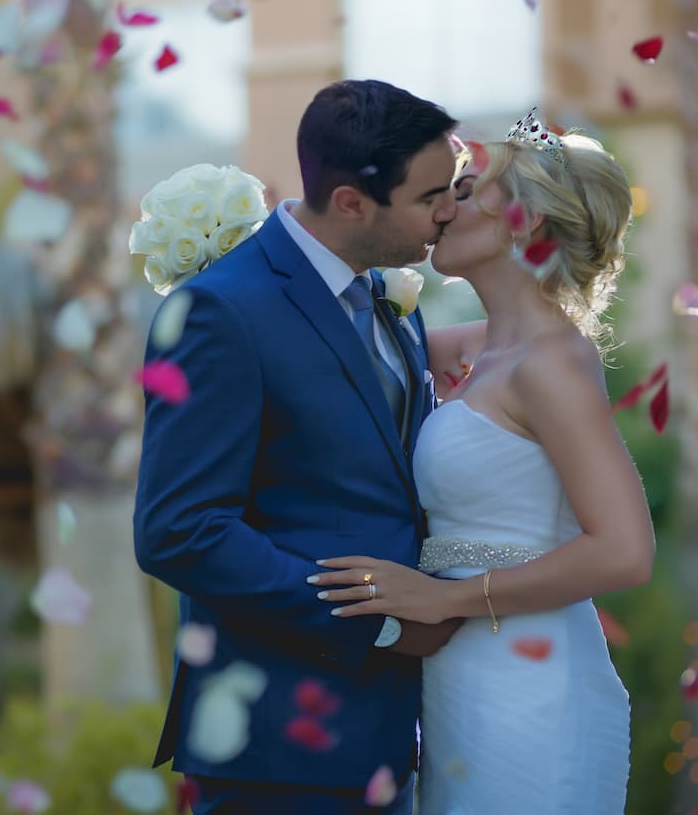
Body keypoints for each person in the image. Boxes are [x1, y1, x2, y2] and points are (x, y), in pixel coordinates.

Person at [133, 79, 465, 814]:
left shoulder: (386, 293)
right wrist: (374, 618)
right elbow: (177, 530)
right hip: (279, 743)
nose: (450, 209)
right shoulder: (221, 309)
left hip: (386, 735)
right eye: (429, 195)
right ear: (351, 202)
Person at [312, 109, 654, 814]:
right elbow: (339, 346)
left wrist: (444, 598)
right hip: (463, 679)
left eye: (464, 192)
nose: (443, 207)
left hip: (529, 684)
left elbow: (625, 551)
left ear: (523, 220)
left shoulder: (551, 362)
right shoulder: (484, 350)